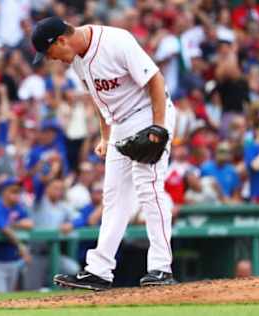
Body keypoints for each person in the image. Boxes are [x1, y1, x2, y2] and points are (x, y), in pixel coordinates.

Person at [31, 16, 177, 290]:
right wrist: (105, 135)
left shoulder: (115, 41)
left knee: (148, 187)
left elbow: (155, 80)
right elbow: (98, 99)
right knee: (113, 196)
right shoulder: (76, 58)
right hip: (120, 123)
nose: (51, 60)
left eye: (49, 53)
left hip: (149, 113)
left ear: (61, 39)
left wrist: (158, 126)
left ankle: (161, 268)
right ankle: (99, 270)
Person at [24, 178, 80, 290]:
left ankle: (63, 301)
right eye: (55, 188)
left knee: (72, 269)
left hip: (54, 254)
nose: (58, 192)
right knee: (32, 290)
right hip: (35, 254)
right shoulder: (39, 202)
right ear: (47, 189)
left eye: (61, 189)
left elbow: (80, 219)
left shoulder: (63, 206)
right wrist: (48, 175)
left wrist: (71, 224)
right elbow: (38, 188)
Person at [0, 178, 33, 293]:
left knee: (10, 297)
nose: (16, 195)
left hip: (13, 259)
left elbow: (30, 223)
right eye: (13, 191)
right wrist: (21, 246)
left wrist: (13, 224)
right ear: (4, 192)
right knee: (0, 297)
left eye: (18, 192)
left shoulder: (18, 207)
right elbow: (5, 229)